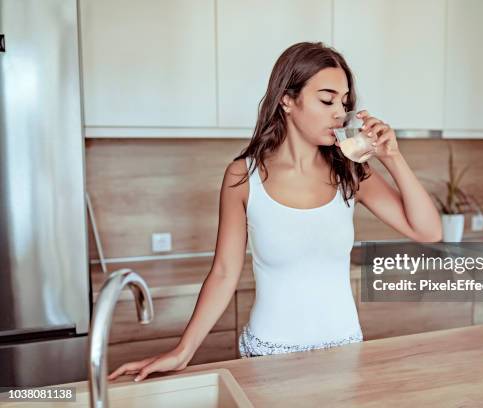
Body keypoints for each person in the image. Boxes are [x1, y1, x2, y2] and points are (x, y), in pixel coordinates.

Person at [108, 41, 442, 382]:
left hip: (345, 352)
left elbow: (429, 231)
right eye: (326, 100)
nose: (339, 113)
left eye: (344, 102)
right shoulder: (244, 176)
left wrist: (392, 158)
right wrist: (182, 351)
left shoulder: (351, 173)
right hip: (268, 357)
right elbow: (224, 272)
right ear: (287, 99)